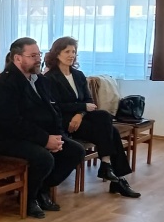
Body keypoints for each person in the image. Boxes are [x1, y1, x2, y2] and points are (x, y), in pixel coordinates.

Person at [0, 37, 86, 218]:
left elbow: (53, 110)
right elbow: (12, 123)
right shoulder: (5, 84)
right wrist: (45, 140)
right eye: (32, 56)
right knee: (44, 159)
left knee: (75, 151)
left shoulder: (39, 79)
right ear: (18, 58)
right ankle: (29, 198)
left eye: (39, 54)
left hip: (38, 134)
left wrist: (57, 136)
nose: (38, 59)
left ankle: (42, 189)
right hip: (10, 139)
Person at [43, 37, 140, 198]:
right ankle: (116, 178)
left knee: (104, 116)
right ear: (57, 53)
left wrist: (80, 113)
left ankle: (108, 167)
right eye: (67, 51)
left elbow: (89, 101)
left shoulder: (78, 75)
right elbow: (57, 106)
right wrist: (81, 108)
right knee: (112, 132)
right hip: (65, 122)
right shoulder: (50, 78)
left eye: (74, 51)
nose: (71, 55)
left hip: (80, 118)